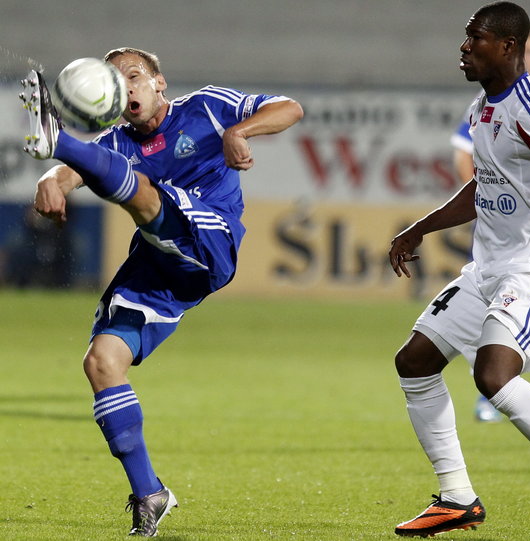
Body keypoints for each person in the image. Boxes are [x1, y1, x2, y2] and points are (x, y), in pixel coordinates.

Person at [21, 48, 303, 537]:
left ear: (159, 84)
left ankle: (58, 138)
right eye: (115, 80)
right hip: (157, 262)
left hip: (209, 241)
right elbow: (72, 173)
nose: (126, 87)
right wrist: (52, 177)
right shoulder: (116, 141)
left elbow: (290, 108)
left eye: (134, 76)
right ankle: (150, 491)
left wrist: (239, 131)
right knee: (101, 363)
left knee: (147, 195)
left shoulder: (207, 108)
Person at [389, 2, 530, 537]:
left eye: (476, 40)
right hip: (489, 266)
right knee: (415, 362)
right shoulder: (482, 106)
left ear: (507, 47)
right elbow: (484, 185)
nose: (464, 49)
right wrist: (421, 226)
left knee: (492, 376)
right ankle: (456, 498)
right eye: (466, 40)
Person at [451, 24, 530, 423]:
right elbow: (469, 158)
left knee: (500, 337)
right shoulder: (486, 101)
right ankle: (492, 391)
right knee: (477, 324)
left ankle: (497, 387)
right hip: (502, 231)